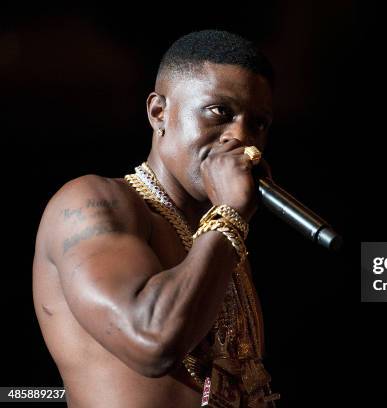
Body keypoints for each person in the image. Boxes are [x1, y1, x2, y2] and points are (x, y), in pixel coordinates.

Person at [32, 30, 280, 407]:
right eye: (220, 112)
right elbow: (154, 342)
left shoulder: (217, 239)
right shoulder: (94, 202)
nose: (241, 140)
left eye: (258, 124)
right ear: (158, 112)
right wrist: (228, 215)